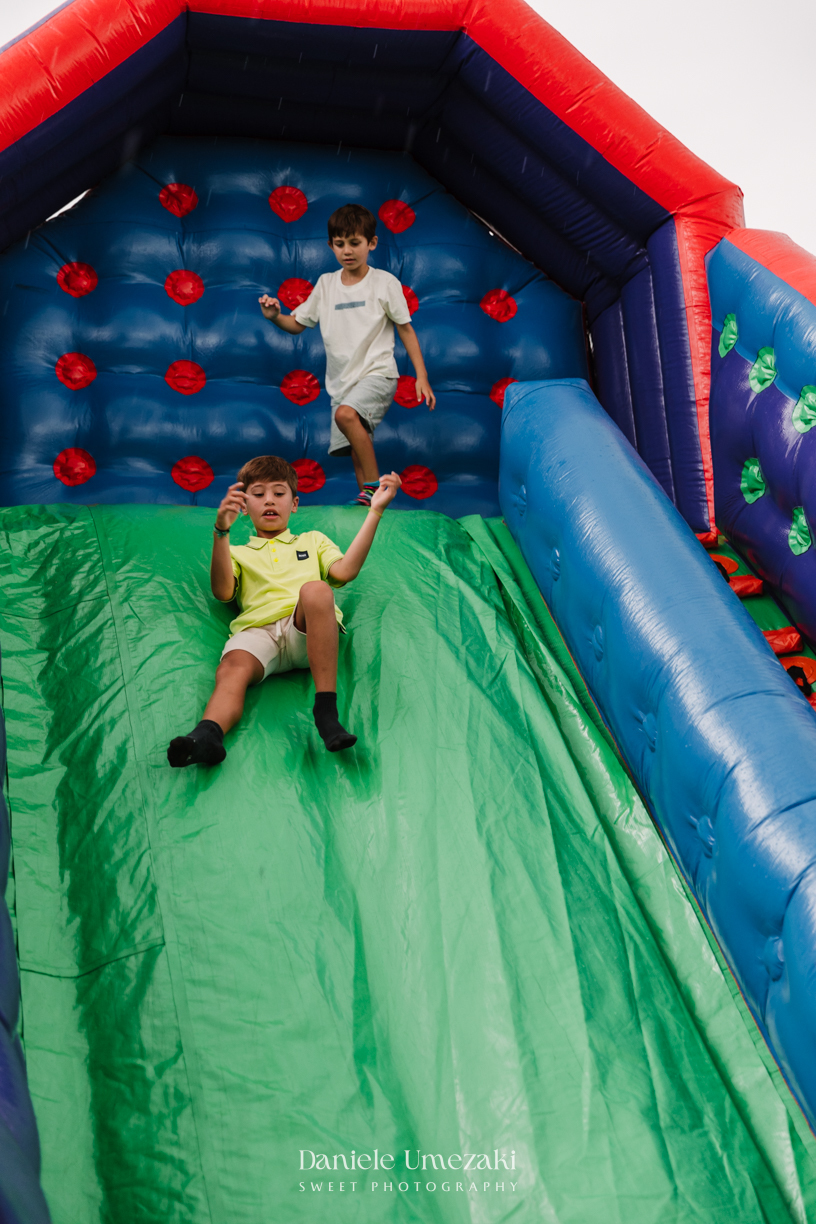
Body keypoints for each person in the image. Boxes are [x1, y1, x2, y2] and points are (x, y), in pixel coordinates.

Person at [167, 454, 401, 767]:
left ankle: (326, 714)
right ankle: (207, 735)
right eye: (259, 494)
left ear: (294, 504)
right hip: (259, 634)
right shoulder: (238, 552)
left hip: (305, 632)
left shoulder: (311, 540)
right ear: (244, 507)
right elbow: (223, 591)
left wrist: (375, 512)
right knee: (232, 669)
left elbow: (344, 572)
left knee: (316, 589)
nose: (269, 501)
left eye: (279, 494)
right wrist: (221, 531)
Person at [258, 202, 436, 507]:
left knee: (346, 415)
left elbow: (405, 328)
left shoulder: (383, 283)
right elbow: (298, 324)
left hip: (378, 373)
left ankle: (376, 490)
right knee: (356, 446)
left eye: (355, 243)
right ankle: (370, 508)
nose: (347, 251)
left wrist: (422, 375)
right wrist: (275, 316)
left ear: (371, 243)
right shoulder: (326, 285)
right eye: (339, 244)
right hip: (342, 383)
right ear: (330, 246)